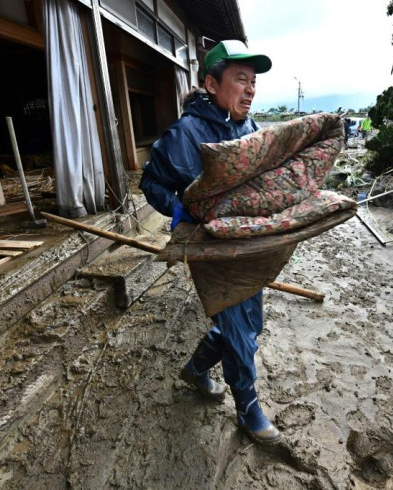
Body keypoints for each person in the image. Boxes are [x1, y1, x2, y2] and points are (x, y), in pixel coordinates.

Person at [139, 40, 281, 445]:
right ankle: (248, 409)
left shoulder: (249, 128)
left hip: (246, 244)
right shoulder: (186, 133)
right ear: (212, 84)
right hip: (210, 246)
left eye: (254, 82)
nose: (251, 89)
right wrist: (177, 209)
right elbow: (151, 181)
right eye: (241, 80)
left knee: (249, 323)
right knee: (238, 327)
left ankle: (196, 370)